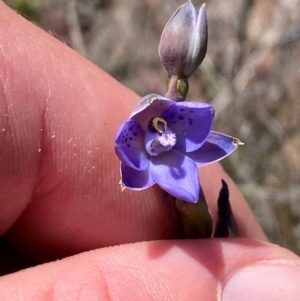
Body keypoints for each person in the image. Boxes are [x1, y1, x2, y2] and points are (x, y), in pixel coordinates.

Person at [0, 2, 299, 300]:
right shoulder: (134, 166)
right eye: (156, 128)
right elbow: (136, 174)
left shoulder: (183, 139)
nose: (164, 137)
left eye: (164, 127)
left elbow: (190, 175)